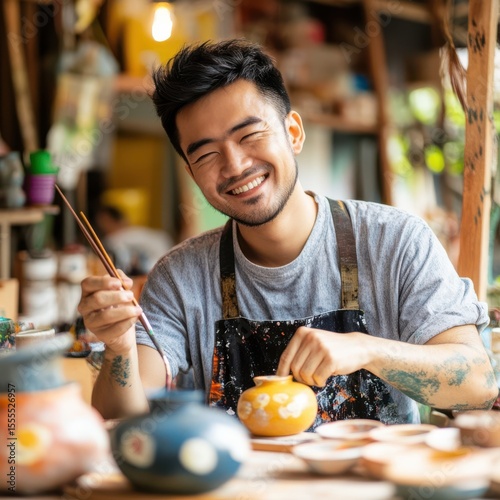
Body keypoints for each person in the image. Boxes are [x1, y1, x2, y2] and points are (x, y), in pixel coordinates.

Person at [79, 39, 498, 424]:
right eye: (206, 154)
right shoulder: (180, 277)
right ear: (190, 172)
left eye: (250, 134)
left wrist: (367, 349)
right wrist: (119, 348)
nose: (236, 165)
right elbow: (124, 421)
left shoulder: (395, 241)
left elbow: (477, 384)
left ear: (293, 132)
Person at [94, 204, 173, 276]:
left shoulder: (115, 238)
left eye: (104, 222)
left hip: (156, 272)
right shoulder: (157, 235)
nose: (102, 228)